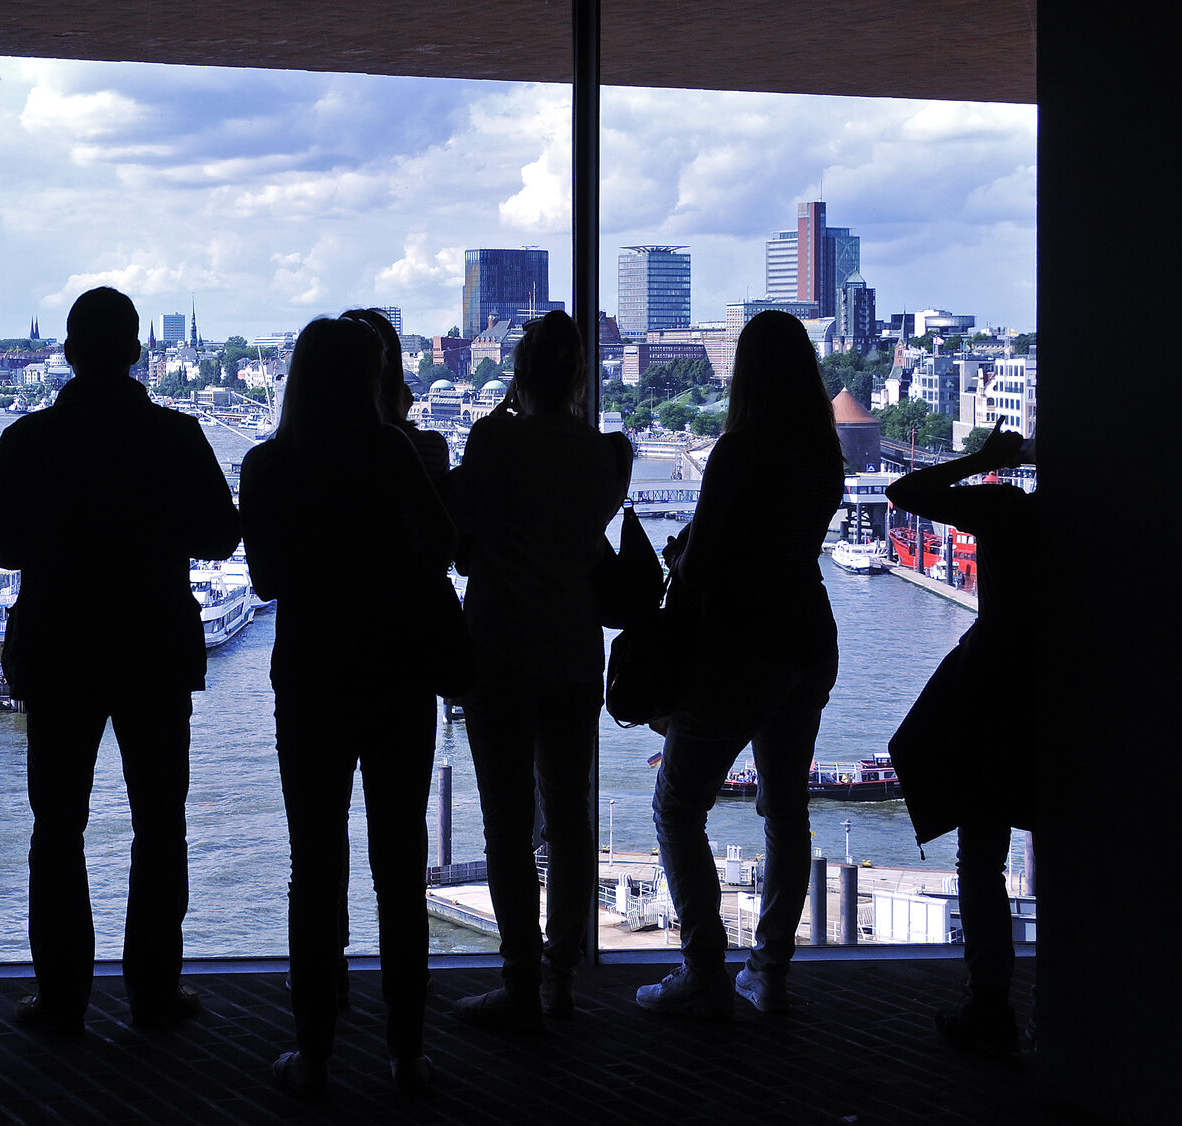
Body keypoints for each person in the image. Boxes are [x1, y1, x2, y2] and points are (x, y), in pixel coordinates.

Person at [0, 288, 241, 1036]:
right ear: (137, 352)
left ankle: (62, 996)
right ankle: (154, 991)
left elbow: (2, 546)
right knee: (161, 823)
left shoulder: (29, 442)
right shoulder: (178, 435)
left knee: (56, 826)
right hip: (153, 646)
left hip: (59, 647)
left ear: (67, 350)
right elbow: (222, 537)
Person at [241, 316, 455, 1100]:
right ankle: (407, 1052)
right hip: (397, 673)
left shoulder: (268, 466)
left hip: (309, 676)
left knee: (314, 865)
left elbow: (263, 580)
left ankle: (315, 1050)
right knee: (400, 868)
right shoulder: (393, 452)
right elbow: (440, 547)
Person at [637, 308, 845, 1021]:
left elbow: (701, 570)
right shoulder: (825, 452)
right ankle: (769, 971)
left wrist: (680, 563)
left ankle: (702, 964)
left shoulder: (738, 450)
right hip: (809, 639)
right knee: (786, 811)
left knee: (676, 805)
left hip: (741, 650)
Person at [442, 310, 629, 1031]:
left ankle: (518, 979)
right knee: (571, 821)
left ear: (518, 375)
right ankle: (559, 977)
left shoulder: (494, 441)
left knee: (507, 825)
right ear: (580, 378)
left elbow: (457, 518)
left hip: (500, 651)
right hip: (576, 654)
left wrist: (502, 411)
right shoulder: (603, 457)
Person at [887, 421, 1039, 1054]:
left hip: (996, 698)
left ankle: (989, 1007)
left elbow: (905, 491)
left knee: (981, 857)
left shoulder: (1006, 512)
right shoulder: (1118, 516)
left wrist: (982, 459)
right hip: (1072, 694)